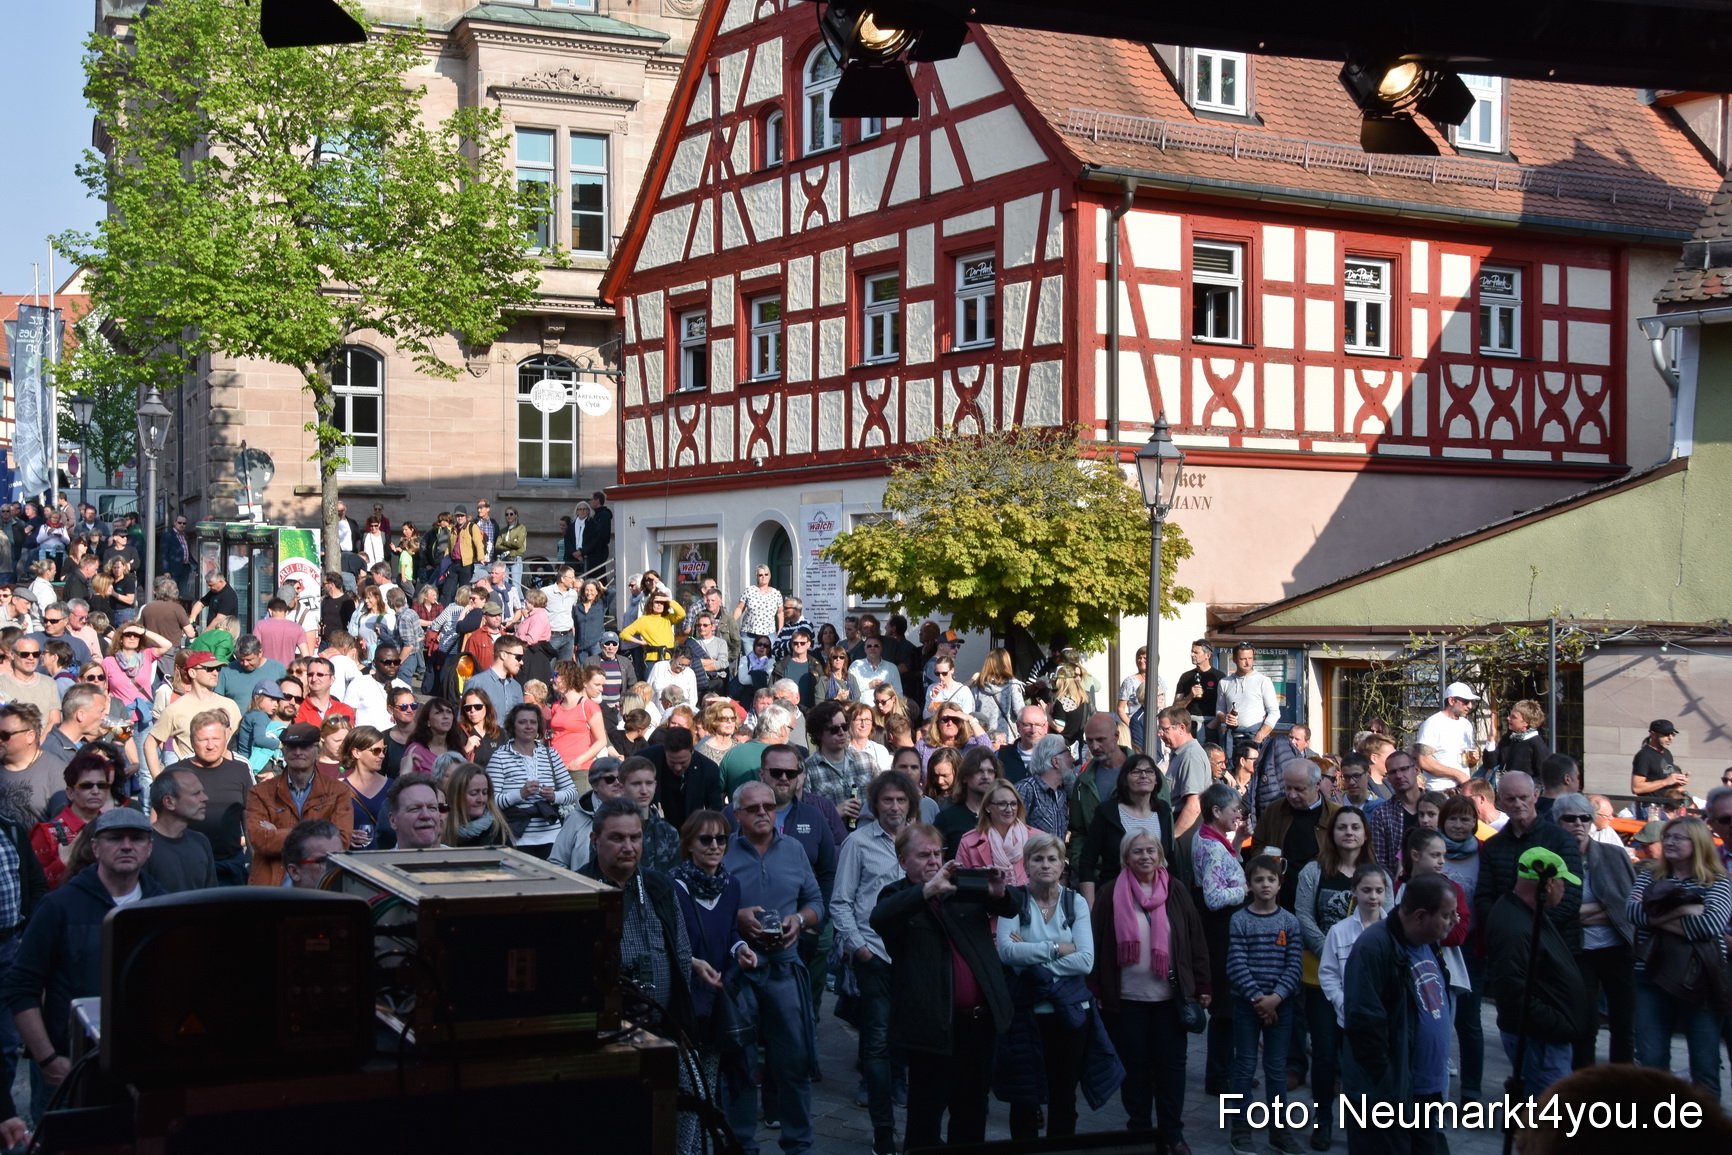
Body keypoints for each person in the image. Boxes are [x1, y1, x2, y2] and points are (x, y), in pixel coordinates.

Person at [870, 820, 1019, 1148]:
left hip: (979, 1024)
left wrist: (1000, 892)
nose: (934, 861)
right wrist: (927, 891)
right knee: (925, 1120)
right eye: (924, 855)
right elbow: (879, 918)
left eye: (938, 853)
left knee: (972, 1114)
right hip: (932, 1028)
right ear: (903, 861)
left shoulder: (962, 886)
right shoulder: (896, 895)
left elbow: (1015, 905)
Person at [2, 807, 163, 1091]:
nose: (126, 845)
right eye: (115, 838)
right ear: (95, 847)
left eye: (136, 838)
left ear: (149, 848)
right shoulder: (59, 907)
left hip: (145, 1066)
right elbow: (21, 987)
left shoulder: (164, 906)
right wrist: (47, 1058)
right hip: (70, 1069)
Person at [1084, 829, 1207, 1150]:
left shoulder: (1177, 891)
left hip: (1170, 1000)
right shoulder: (1111, 893)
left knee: (1172, 1069)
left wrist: (1203, 983)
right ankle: (1138, 1130)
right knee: (1135, 1069)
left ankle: (1172, 1134)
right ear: (1126, 857)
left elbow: (1195, 938)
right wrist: (1095, 986)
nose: (1145, 857)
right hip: (1126, 1002)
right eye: (1137, 851)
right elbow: (1096, 943)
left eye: (1150, 851)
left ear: (1160, 855)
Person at [723, 780, 823, 1155]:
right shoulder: (723, 850)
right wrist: (737, 919)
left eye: (769, 806)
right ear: (737, 816)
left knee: (794, 1063)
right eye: (753, 808)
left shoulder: (794, 849)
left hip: (784, 968)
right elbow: (704, 909)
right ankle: (741, 1145)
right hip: (740, 972)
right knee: (742, 1065)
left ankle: (799, 1145)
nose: (763, 812)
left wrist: (799, 920)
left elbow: (816, 901)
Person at [994, 830, 1105, 1141]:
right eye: (1037, 858)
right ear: (1026, 865)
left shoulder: (1076, 902)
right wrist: (1057, 948)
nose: (1045, 864)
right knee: (1024, 1098)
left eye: (1052, 859)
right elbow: (1007, 953)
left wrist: (1030, 951)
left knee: (1063, 1097)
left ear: (1062, 865)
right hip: (1027, 1013)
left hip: (1069, 1014)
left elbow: (1085, 961)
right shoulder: (1014, 899)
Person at [1339, 871, 1459, 1155]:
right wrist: (1387, 1088)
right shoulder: (1374, 947)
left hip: (1425, 1093)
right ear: (1420, 916)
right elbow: (1365, 1025)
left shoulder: (1428, 941)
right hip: (1391, 1098)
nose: (1455, 920)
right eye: (1447, 914)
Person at [830, 770, 917, 1152]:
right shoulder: (858, 843)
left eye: (901, 800)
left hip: (915, 955)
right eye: (887, 800)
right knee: (877, 1038)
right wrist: (858, 945)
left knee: (907, 1032)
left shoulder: (921, 841)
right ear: (875, 804)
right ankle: (883, 1127)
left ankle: (899, 1083)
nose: (894, 807)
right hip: (875, 953)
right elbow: (841, 900)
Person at [1627, 815, 1732, 1095]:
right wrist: (1684, 909)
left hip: (1699, 981)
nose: (1670, 842)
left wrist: (1654, 911)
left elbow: (1709, 925)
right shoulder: (1651, 874)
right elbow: (1631, 912)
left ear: (1697, 843)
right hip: (1650, 975)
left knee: (1704, 1066)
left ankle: (1705, 1135)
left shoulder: (1717, 880)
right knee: (1651, 1062)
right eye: (1668, 837)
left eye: (1678, 837)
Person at [669, 807, 752, 1148]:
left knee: (709, 1086)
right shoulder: (672, 887)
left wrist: (741, 948)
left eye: (721, 838)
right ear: (689, 844)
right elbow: (668, 943)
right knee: (690, 1093)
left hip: (716, 999)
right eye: (706, 839)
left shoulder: (730, 885)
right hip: (685, 1003)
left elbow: (730, 931)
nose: (715, 845)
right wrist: (690, 962)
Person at [1486, 846, 1587, 1099]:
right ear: (1550, 883)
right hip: (1540, 1042)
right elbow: (1513, 992)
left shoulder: (1524, 913)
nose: (1565, 888)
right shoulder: (1515, 925)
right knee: (1549, 1120)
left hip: (1543, 1040)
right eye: (1563, 882)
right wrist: (1559, 1024)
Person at [1225, 855, 1305, 1155]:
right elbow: (1236, 963)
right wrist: (1259, 999)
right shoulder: (1240, 920)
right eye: (1259, 880)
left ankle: (1279, 1131)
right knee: (1244, 1066)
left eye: (1271, 879)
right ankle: (1240, 1130)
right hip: (1248, 1005)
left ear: (1279, 883)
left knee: (1276, 1068)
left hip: (1281, 1006)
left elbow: (1294, 966)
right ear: (1249, 885)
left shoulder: (1290, 922)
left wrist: (1277, 998)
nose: (1265, 884)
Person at [1550, 792, 1635, 1068]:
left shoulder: (1613, 855)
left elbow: (1625, 906)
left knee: (1624, 1023)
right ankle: (1585, 1093)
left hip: (1616, 948)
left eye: (1585, 818)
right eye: (1570, 818)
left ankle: (1623, 1092)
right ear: (1556, 821)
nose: (1578, 824)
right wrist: (1604, 909)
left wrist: (1584, 911)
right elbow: (1556, 912)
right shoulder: (1550, 860)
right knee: (1585, 1026)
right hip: (1579, 950)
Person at [1474, 771, 1582, 952]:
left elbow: (1571, 897)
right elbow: (1484, 896)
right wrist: (1508, 928)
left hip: (1556, 945)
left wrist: (1530, 929)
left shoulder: (1561, 840)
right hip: (1509, 946)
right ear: (1500, 801)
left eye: (1523, 797)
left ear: (1536, 795)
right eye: (1510, 799)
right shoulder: (1493, 845)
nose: (1518, 804)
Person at [244, 723, 355, 886]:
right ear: (283, 752)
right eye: (291, 747)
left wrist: (279, 833)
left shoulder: (339, 791)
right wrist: (317, 839)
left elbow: (341, 842)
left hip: (320, 884)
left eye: (304, 747)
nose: (297, 752)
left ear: (317, 751)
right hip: (270, 887)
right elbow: (260, 841)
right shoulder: (260, 792)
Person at [164, 712, 253, 885]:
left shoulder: (240, 770)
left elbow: (248, 816)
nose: (210, 745)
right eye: (203, 739)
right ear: (191, 740)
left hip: (231, 864)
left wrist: (255, 857)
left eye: (216, 738)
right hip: (185, 864)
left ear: (225, 738)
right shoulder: (175, 773)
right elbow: (159, 818)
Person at [1079, 752, 1175, 906]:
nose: (1143, 776)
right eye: (1136, 772)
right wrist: (1091, 907)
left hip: (1158, 899)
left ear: (1156, 779)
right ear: (1124, 780)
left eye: (1149, 771)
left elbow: (1169, 858)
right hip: (1115, 898)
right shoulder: (1107, 812)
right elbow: (1087, 861)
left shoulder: (1163, 811)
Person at [487, 703, 577, 859]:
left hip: (552, 836)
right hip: (515, 837)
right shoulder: (499, 756)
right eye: (522, 722)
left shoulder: (551, 754)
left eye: (533, 722)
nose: (528, 726)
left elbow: (572, 793)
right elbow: (490, 801)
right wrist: (520, 794)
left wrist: (554, 796)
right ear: (512, 726)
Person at [1249, 760, 1339, 913]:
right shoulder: (1275, 810)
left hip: (1321, 898)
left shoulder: (1336, 816)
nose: (1292, 795)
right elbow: (1257, 844)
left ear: (1317, 784)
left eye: (1299, 789)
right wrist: (1266, 860)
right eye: (1288, 788)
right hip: (1282, 898)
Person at [1317, 862, 1389, 1029]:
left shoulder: (1393, 931)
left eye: (1379, 891)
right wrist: (1342, 1002)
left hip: (1387, 1017)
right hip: (1351, 1017)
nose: (1373, 896)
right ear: (1354, 891)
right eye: (1366, 890)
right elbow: (1328, 972)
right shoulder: (1338, 931)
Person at [31, 754, 117, 890]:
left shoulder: (115, 827)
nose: (95, 791)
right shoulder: (46, 832)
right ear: (70, 792)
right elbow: (34, 888)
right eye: (87, 786)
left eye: (101, 785)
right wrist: (63, 861)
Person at [145, 766, 216, 893]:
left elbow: (211, 896)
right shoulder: (143, 846)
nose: (205, 798)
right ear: (169, 802)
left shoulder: (201, 841)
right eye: (196, 794)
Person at [957, 777, 1032, 887]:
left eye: (1013, 803)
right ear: (987, 806)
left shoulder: (1036, 839)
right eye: (1002, 804)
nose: (1009, 809)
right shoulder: (968, 842)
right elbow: (961, 887)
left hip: (1027, 903)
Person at [1215, 644, 1278, 765]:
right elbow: (1219, 710)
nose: (1247, 662)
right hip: (1232, 739)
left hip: (1255, 737)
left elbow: (1274, 712)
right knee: (1232, 774)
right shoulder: (1224, 682)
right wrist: (1224, 717)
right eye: (1243, 659)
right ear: (1234, 659)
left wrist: (1259, 737)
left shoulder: (1263, 681)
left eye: (1250, 658)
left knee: (1253, 775)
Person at [936, 747, 1002, 859]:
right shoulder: (946, 818)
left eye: (990, 771)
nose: (986, 776)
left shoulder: (1002, 815)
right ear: (964, 777)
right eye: (979, 771)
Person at [1367, 747, 1425, 875]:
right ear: (1388, 778)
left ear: (1416, 770)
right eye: (1392, 772)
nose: (1399, 776)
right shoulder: (1382, 813)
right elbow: (1379, 861)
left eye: (1404, 769)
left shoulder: (1437, 805)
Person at [1157, 707, 1211, 839]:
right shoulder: (1181, 753)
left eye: (1165, 729)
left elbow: (1194, 806)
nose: (1160, 734)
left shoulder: (1190, 756)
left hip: (1185, 833)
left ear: (1181, 728)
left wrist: (1171, 837)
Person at [1015, 733, 1074, 839]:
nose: (1073, 760)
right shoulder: (1026, 789)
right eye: (1069, 755)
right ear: (1056, 761)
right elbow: (1013, 834)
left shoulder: (1062, 794)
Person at [1482, 699, 1550, 785]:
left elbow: (1543, 777)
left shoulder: (1536, 743)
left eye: (1513, 717)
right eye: (1510, 715)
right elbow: (1490, 764)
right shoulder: (1508, 737)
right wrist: (1491, 738)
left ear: (1525, 723)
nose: (1508, 718)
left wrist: (1524, 788)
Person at [1630, 719, 1687, 808]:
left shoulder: (1667, 753)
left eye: (1673, 734)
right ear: (1653, 734)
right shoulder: (1644, 755)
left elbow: (1665, 781)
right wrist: (1666, 782)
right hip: (1651, 807)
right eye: (1665, 734)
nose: (1670, 737)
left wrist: (1677, 782)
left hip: (1667, 806)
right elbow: (1636, 788)